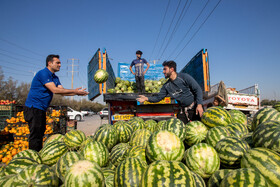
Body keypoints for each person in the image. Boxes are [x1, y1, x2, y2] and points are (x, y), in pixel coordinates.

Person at [24, 54, 89, 152]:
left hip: (41, 109)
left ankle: (37, 156)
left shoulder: (55, 78)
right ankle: (33, 158)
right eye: (57, 63)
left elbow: (62, 91)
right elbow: (54, 90)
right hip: (33, 107)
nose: (60, 65)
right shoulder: (43, 73)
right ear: (49, 63)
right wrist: (75, 91)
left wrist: (77, 93)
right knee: (36, 135)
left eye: (60, 63)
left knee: (40, 133)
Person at [137, 60, 204, 124]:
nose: (163, 72)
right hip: (182, 110)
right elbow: (158, 98)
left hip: (195, 107)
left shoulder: (184, 77)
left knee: (199, 129)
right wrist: (147, 98)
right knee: (180, 129)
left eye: (165, 69)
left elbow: (197, 90)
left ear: (172, 69)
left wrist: (199, 105)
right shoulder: (166, 85)